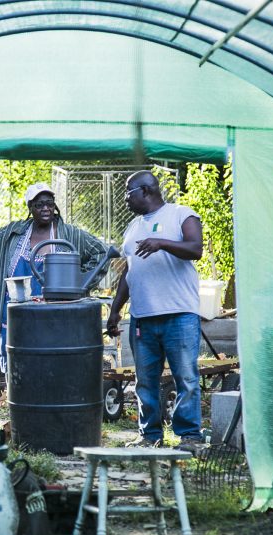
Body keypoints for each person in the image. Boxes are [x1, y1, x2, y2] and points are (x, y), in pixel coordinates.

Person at [106, 170, 204, 451]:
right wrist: (116, 309)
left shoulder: (180, 214)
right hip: (143, 317)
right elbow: (129, 270)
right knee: (145, 381)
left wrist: (162, 243)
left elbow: (195, 249)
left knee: (185, 377)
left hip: (179, 314)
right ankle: (149, 435)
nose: (126, 199)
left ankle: (190, 436)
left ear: (146, 191)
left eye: (129, 193)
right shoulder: (134, 227)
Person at [0, 182, 109, 373]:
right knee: (17, 363)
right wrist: (2, 271)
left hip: (54, 314)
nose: (45, 209)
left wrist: (80, 283)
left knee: (51, 363)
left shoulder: (69, 234)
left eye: (49, 203)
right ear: (30, 207)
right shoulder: (14, 233)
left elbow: (101, 253)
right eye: (39, 204)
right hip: (16, 313)